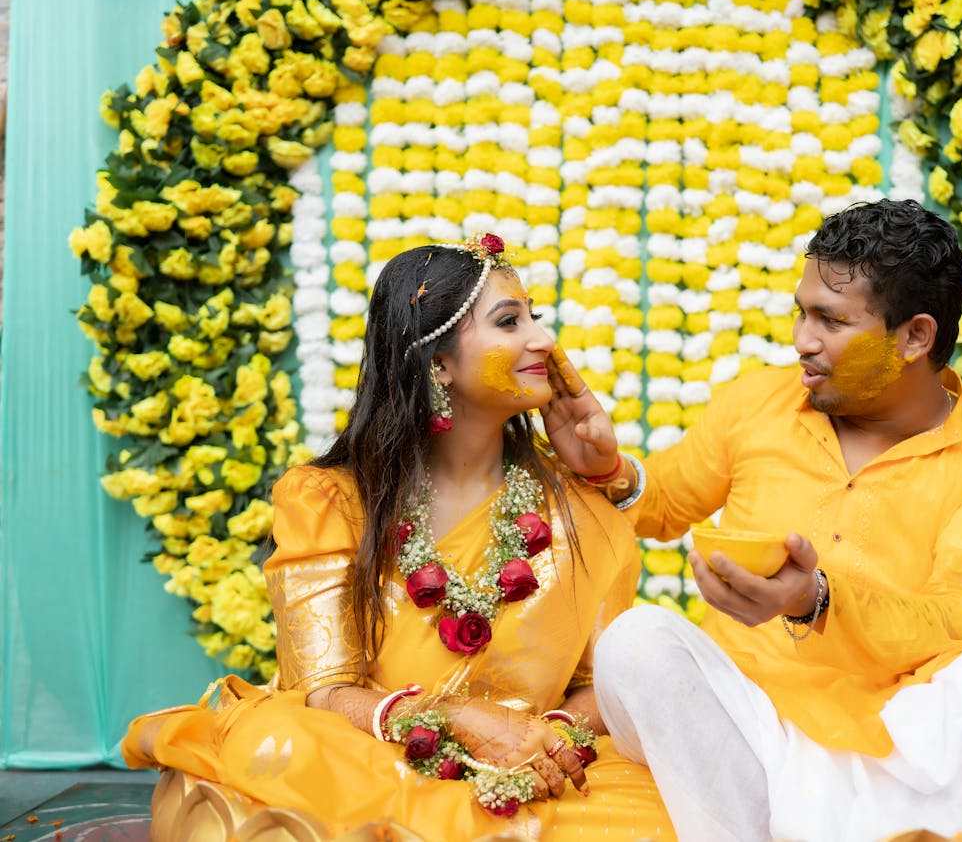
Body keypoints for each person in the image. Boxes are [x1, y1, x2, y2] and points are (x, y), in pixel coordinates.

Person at [544, 200, 962, 842]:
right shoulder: (759, 401)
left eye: (831, 321)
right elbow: (666, 500)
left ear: (915, 337)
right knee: (635, 643)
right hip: (750, 727)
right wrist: (610, 469)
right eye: (802, 311)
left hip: (909, 743)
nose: (802, 339)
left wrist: (816, 603)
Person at [123, 237, 675, 840]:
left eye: (534, 319)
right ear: (438, 361)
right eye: (510, 321)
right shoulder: (329, 498)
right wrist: (450, 721)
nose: (543, 339)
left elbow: (599, 687)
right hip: (375, 750)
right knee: (280, 748)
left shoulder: (584, 508)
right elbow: (324, 690)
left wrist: (544, 746)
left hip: (534, 764)